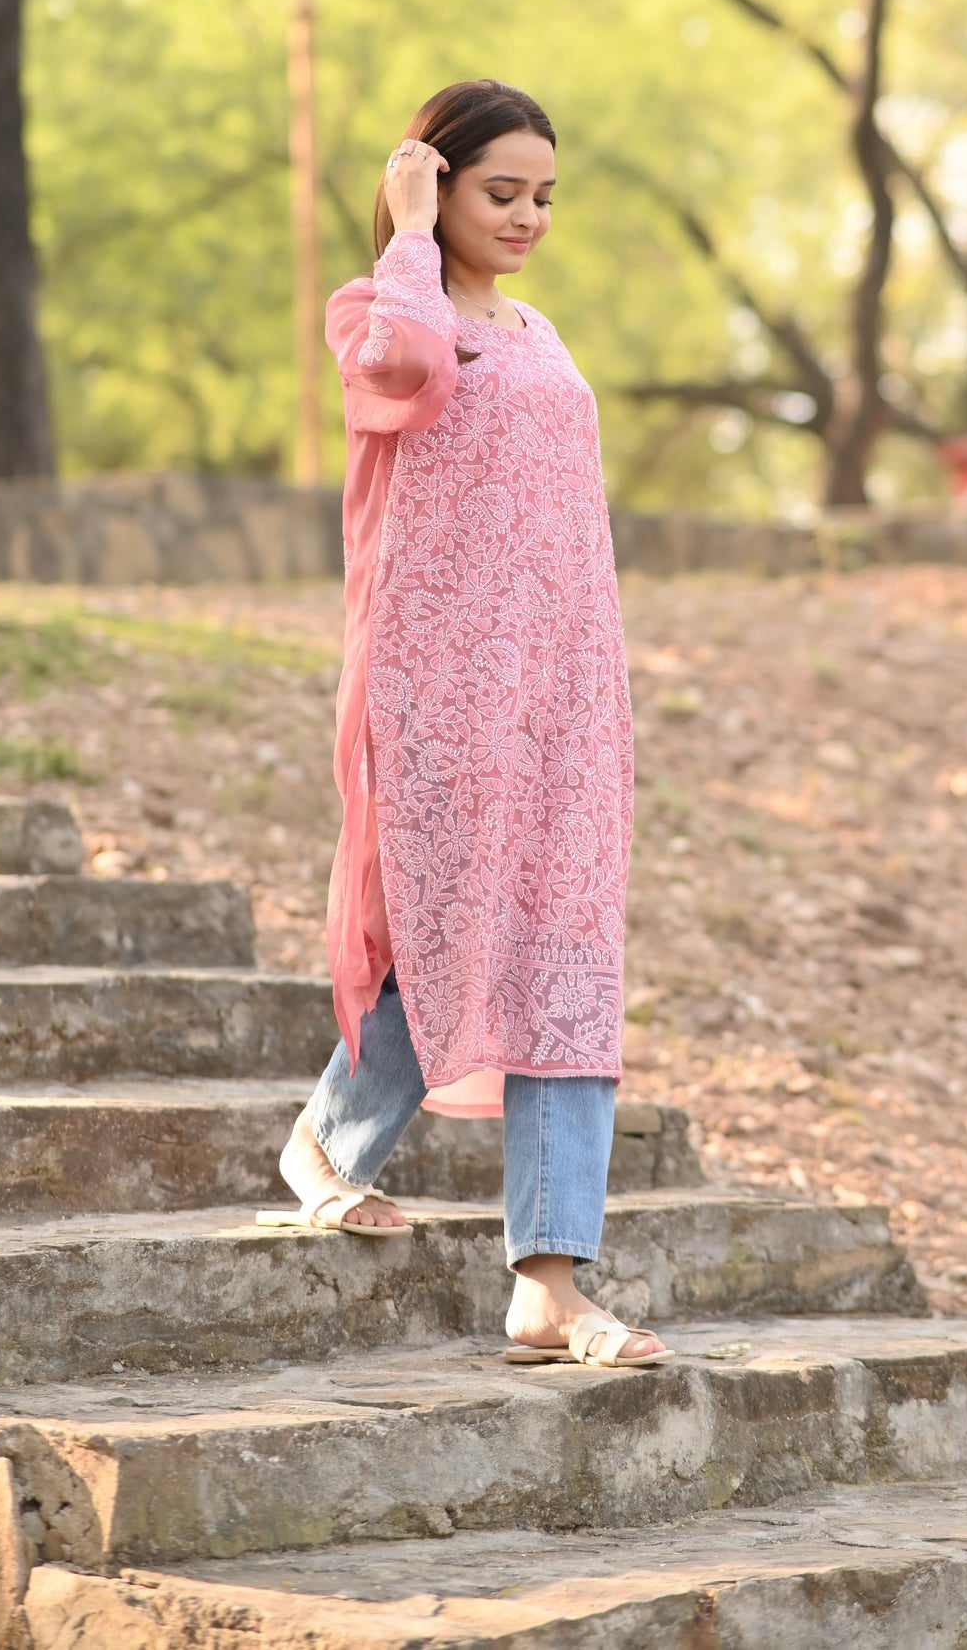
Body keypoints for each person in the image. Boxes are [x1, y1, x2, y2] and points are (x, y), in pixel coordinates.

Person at [260, 78, 670, 1370]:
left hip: (560, 697)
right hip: (435, 687)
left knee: (565, 958)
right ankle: (331, 1140)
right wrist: (403, 235)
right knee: (444, 928)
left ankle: (549, 1281)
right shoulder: (379, 310)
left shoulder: (541, 334)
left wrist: (593, 686)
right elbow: (405, 371)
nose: (529, 216)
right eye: (501, 191)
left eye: (544, 195)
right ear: (433, 185)